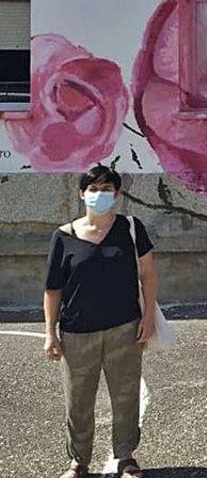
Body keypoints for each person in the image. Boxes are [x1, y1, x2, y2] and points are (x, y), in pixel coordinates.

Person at [44, 165, 156, 478]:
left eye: (107, 189)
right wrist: (50, 333)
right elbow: (53, 289)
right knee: (78, 401)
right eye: (93, 189)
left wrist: (148, 317)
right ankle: (78, 461)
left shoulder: (131, 229)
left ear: (117, 194)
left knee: (126, 395)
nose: (99, 195)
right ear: (82, 194)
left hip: (125, 328)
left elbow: (147, 275)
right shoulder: (63, 237)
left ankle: (125, 457)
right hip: (77, 331)